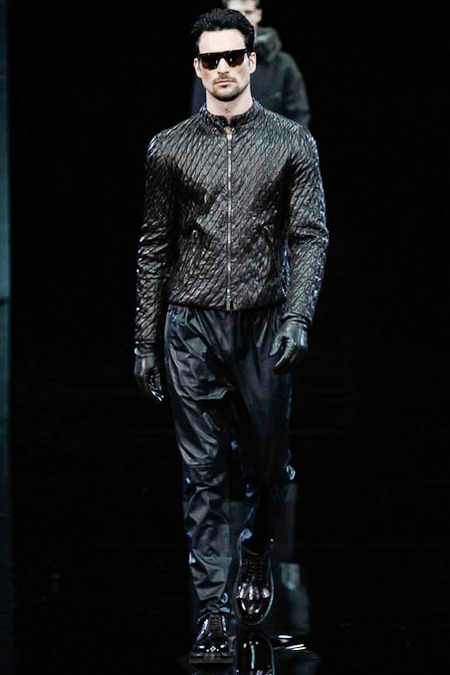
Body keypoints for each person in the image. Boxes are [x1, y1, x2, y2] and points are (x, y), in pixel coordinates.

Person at [134, 8, 328, 665]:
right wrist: (145, 340)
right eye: (210, 59)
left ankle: (257, 545)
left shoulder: (290, 142)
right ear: (198, 67)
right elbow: (153, 246)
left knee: (270, 467)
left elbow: (310, 235)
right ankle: (213, 612)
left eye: (232, 57)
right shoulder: (168, 147)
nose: (222, 68)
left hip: (263, 321)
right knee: (203, 473)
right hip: (190, 323)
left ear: (251, 60)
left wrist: (298, 317)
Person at [190, 0, 311, 127]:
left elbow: (299, 115)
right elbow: (198, 115)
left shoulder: (283, 65)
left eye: (248, 12)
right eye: (236, 13)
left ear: (258, 14)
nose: (242, 19)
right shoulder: (209, 66)